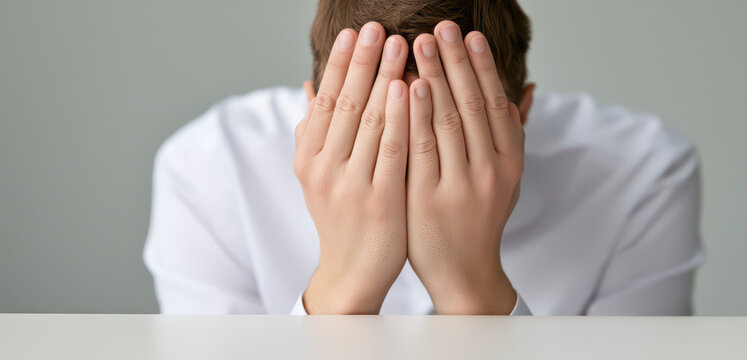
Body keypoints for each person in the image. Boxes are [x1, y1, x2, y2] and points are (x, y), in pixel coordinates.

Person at [144, 0, 704, 315]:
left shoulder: (641, 177)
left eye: (454, 133)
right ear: (312, 111)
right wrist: (346, 285)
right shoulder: (210, 170)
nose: (404, 162)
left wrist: (469, 284)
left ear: (523, 112)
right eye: (371, 132)